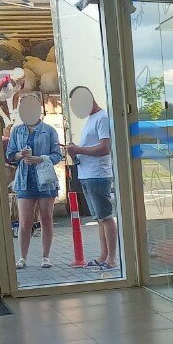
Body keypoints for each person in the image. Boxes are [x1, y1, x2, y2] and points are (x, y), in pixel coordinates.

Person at [6, 94, 62, 269]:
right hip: (24, 180)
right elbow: (10, 154)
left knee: (46, 218)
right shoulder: (17, 131)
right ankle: (22, 257)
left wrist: (40, 159)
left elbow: (57, 155)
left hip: (45, 180)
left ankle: (46, 257)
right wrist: (19, 155)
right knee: (24, 221)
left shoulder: (49, 130)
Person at [66, 86, 118, 271]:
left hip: (98, 175)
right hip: (87, 174)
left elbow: (105, 148)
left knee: (105, 216)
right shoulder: (91, 119)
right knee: (100, 218)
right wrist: (75, 152)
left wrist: (78, 149)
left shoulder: (102, 118)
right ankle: (103, 256)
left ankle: (111, 258)